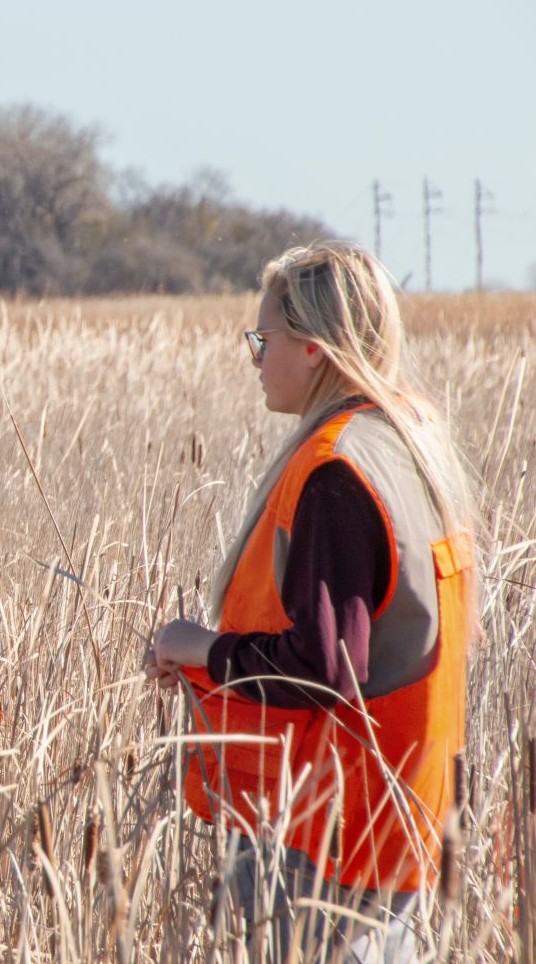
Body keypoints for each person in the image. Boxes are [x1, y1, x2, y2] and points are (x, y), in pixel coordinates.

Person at [146, 242, 477, 962]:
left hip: (324, 832)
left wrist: (194, 646)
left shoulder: (335, 471)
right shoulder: (406, 442)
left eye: (264, 339)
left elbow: (319, 669)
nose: (255, 356)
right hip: (400, 820)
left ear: (316, 350)